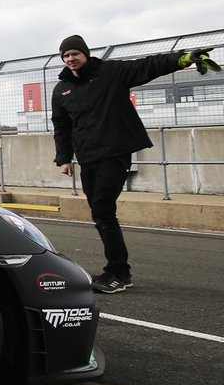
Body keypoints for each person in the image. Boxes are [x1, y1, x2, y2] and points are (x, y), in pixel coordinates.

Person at [52, 34, 218, 294]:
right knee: (99, 213)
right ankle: (115, 269)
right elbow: (62, 126)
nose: (70, 58)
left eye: (75, 53)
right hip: (88, 158)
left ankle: (119, 273)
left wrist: (182, 58)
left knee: (104, 211)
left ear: (85, 53)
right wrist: (63, 157)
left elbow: (149, 65)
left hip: (114, 153)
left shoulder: (111, 72)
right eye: (66, 55)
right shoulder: (62, 89)